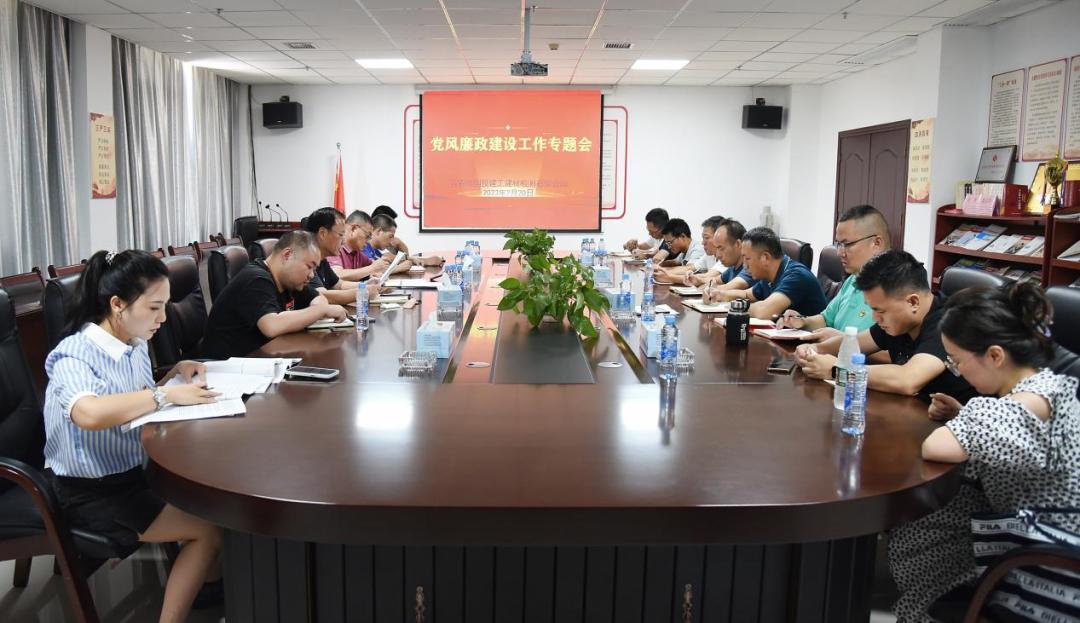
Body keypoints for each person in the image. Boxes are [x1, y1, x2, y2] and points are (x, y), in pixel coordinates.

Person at [43, 249, 224, 623]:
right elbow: (90, 413)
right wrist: (164, 396)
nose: (163, 318)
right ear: (117, 305)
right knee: (208, 531)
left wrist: (174, 374)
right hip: (92, 492)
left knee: (215, 501)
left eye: (165, 307)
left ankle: (208, 586)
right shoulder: (73, 354)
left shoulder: (133, 342)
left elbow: (136, 394)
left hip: (135, 472)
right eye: (154, 308)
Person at [887, 282, 1080, 623]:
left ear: (994, 355)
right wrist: (964, 414)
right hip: (1041, 534)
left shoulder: (1025, 404)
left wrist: (972, 414)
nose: (956, 370)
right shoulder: (1051, 385)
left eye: (958, 360)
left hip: (1050, 564)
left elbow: (936, 446)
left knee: (923, 526)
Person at [795, 250, 979, 404]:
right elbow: (853, 343)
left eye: (880, 311)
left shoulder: (948, 323)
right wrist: (814, 350)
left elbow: (908, 380)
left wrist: (837, 370)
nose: (875, 318)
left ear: (913, 302)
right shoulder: (899, 321)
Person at [202, 230, 347, 360]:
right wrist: (321, 311)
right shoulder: (256, 279)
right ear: (287, 255)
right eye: (309, 266)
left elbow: (318, 297)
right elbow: (271, 326)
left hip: (260, 360)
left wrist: (318, 309)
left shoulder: (290, 281)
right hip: (226, 369)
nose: (311, 275)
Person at [776, 204, 890, 339]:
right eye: (839, 244)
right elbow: (826, 319)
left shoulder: (897, 287)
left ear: (876, 243)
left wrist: (843, 340)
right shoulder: (853, 279)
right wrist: (801, 322)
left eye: (847, 244)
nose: (839, 253)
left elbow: (894, 349)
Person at [712, 227, 827, 319]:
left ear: (766, 258)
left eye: (747, 259)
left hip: (811, 339)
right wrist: (721, 294)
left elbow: (765, 311)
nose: (745, 265)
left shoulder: (796, 276)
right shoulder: (769, 275)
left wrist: (735, 306)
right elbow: (747, 295)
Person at [304, 207, 363, 306]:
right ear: (322, 233)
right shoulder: (306, 259)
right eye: (341, 235)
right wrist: (362, 292)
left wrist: (365, 285)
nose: (344, 241)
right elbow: (322, 295)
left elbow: (340, 285)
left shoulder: (322, 259)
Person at [654, 216, 723, 284]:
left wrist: (668, 277)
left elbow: (706, 277)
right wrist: (662, 270)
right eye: (703, 238)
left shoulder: (699, 249)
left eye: (706, 237)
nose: (703, 242)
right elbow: (690, 269)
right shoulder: (708, 255)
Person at [328, 209, 392, 282]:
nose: (368, 242)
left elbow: (374, 265)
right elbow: (336, 275)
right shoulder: (335, 246)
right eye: (367, 236)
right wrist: (372, 269)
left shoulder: (356, 252)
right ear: (353, 229)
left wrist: (377, 273)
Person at [371, 205, 443, 266]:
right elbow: (387, 259)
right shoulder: (370, 246)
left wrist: (399, 243)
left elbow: (403, 257)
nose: (392, 224)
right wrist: (425, 261)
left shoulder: (379, 244)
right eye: (389, 221)